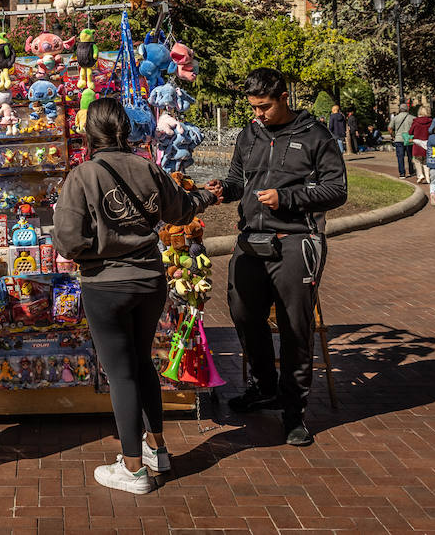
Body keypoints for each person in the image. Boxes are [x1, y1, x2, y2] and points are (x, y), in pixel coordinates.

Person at [53, 97, 218, 494]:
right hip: (149, 280)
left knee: (121, 374)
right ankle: (156, 449)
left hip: (106, 285)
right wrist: (209, 196)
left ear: (89, 133)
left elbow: (68, 242)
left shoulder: (83, 175)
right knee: (142, 364)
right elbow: (180, 211)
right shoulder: (147, 167)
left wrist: (98, 247)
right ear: (125, 130)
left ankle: (132, 469)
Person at [208, 68, 347, 447]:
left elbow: (337, 190)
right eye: (253, 108)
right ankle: (263, 387)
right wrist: (224, 189)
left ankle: (293, 412)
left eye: (264, 107)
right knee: (242, 313)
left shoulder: (316, 135)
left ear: (284, 97)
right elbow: (239, 181)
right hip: (251, 239)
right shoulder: (249, 134)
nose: (258, 115)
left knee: (294, 326)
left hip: (297, 240)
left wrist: (287, 198)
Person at [409, 104, 434, 184]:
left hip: (417, 144)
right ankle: (428, 177)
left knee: (417, 160)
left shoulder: (415, 122)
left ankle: (420, 175)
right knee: (426, 161)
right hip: (427, 143)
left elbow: (410, 132)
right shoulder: (431, 122)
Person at [388, 104, 413, 178]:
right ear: (407, 109)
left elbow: (389, 128)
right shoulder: (412, 118)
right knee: (410, 156)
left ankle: (402, 173)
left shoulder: (395, 118)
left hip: (399, 139)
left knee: (400, 157)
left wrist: (393, 136)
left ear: (400, 109)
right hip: (409, 138)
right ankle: (411, 171)